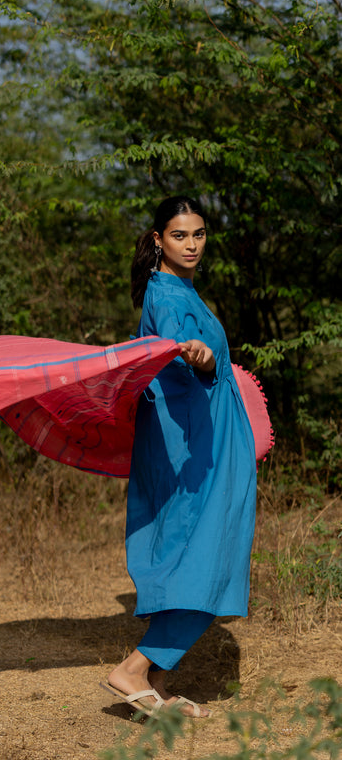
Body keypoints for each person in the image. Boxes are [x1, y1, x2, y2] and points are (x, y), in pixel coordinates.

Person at [101, 196, 257, 719]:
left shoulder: (176, 287)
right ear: (157, 241)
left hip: (207, 439)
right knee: (208, 559)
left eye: (199, 234)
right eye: (179, 236)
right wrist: (206, 363)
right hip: (195, 448)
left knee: (207, 557)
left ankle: (153, 684)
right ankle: (132, 669)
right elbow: (179, 361)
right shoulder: (168, 297)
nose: (191, 245)